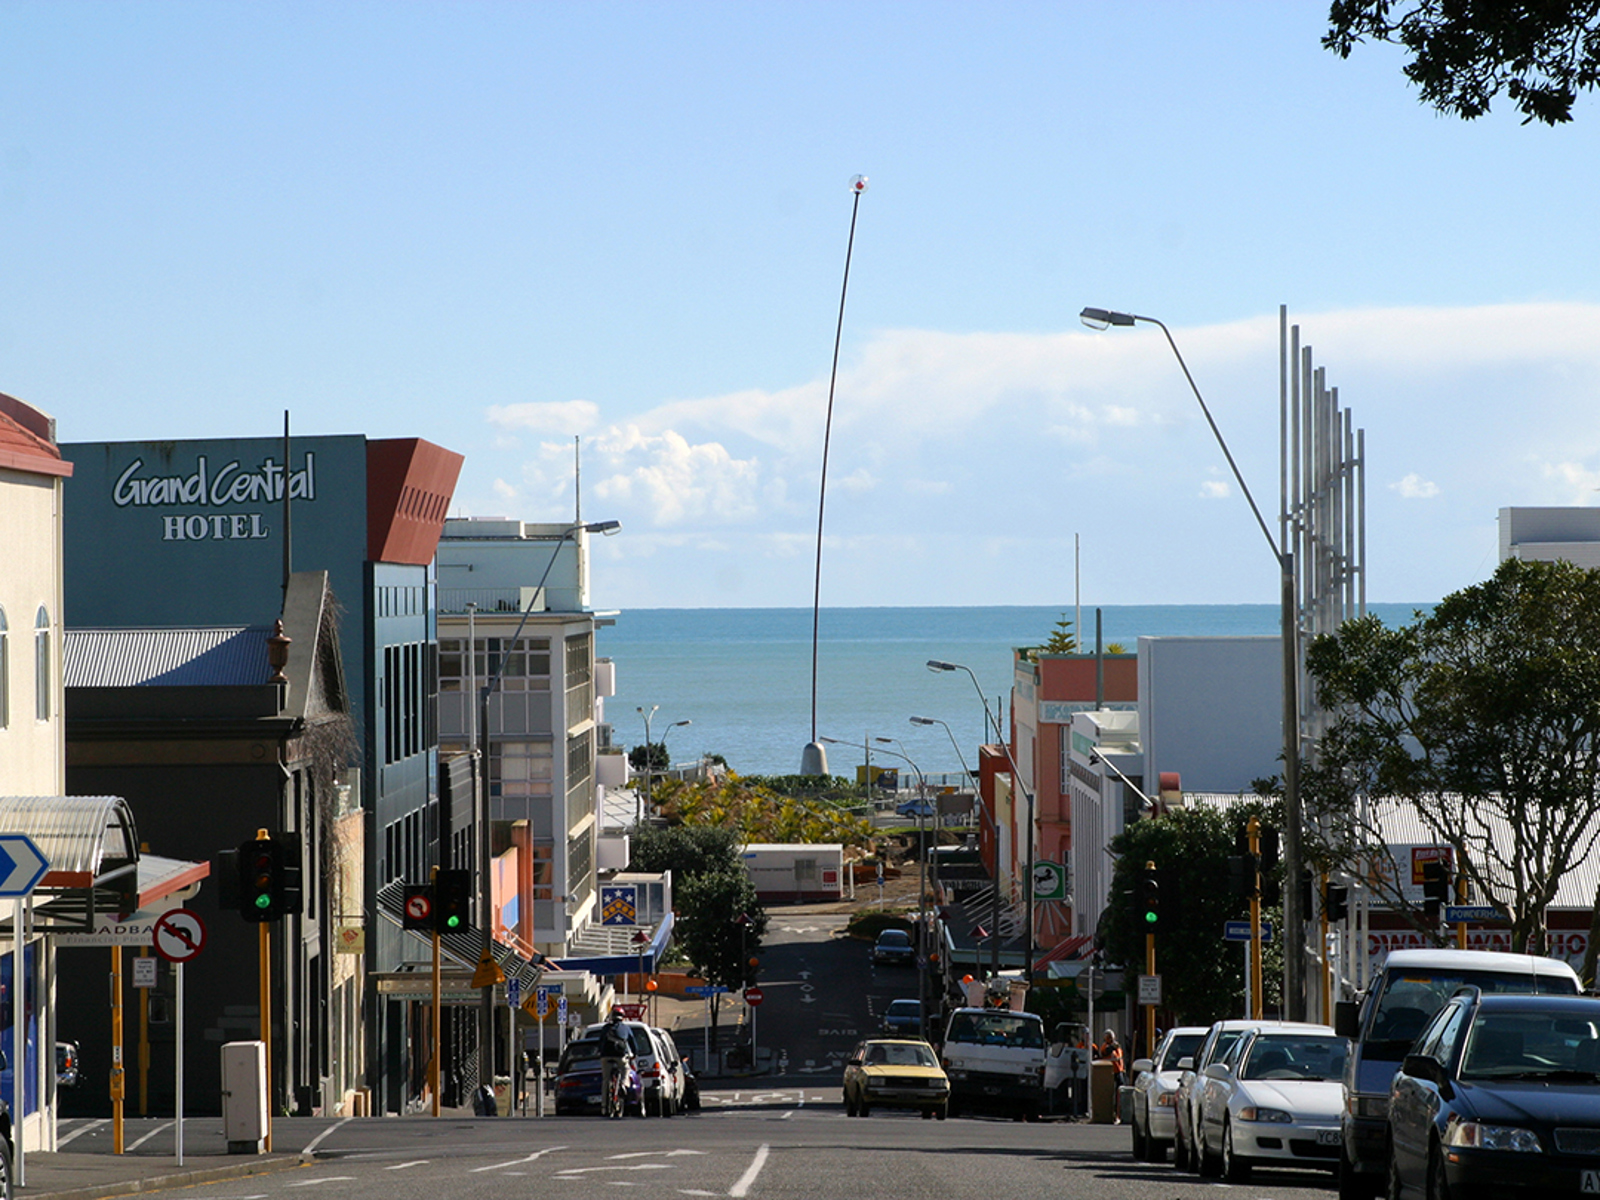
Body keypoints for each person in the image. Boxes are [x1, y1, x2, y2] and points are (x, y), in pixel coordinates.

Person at [599, 1011, 632, 1117]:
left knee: (605, 1080)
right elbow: (632, 1042)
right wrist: (634, 1054)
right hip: (620, 1056)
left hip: (606, 1056)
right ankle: (623, 1084)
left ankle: (604, 1106)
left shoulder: (605, 1028)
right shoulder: (625, 1028)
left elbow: (600, 1042)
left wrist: (601, 1053)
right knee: (626, 1069)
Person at [1099, 1029, 1125, 1123]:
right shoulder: (1105, 1046)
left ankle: (1120, 1113)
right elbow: (1104, 1052)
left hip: (1119, 1072)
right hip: (1110, 1073)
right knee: (1112, 1094)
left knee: (1120, 1093)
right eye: (1109, 1037)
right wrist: (1112, 1047)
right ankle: (1112, 1114)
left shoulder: (1118, 1047)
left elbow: (1120, 1058)